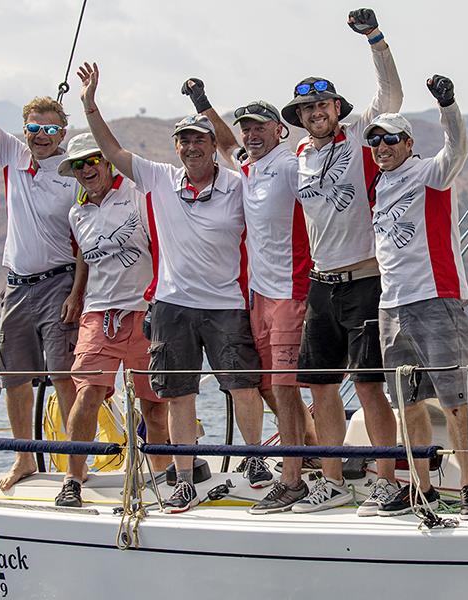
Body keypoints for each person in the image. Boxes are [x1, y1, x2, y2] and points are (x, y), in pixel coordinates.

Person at [77, 62, 272, 514]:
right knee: (178, 393)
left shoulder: (238, 185)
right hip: (171, 306)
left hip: (225, 304)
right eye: (183, 140)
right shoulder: (160, 179)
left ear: (210, 146)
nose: (190, 147)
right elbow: (112, 148)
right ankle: (184, 478)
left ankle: (257, 462)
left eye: (198, 140)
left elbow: (234, 147)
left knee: (242, 386)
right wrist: (89, 105)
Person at [278, 8, 402, 515]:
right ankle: (331, 481)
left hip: (365, 280)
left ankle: (387, 481)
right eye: (306, 109)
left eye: (322, 105)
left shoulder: (358, 136)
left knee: (370, 385)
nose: (315, 114)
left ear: (337, 107)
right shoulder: (302, 154)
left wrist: (374, 38)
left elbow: (391, 94)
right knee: (320, 386)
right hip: (321, 285)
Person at [181, 82, 319, 514]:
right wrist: (202, 104)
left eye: (260, 127)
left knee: (285, 387)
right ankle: (311, 452)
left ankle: (293, 480)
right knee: (265, 386)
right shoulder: (248, 165)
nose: (251, 134)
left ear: (281, 130)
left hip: (291, 292)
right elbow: (225, 144)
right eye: (246, 128)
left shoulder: (293, 164)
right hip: (258, 295)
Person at [0, 44, 84, 491]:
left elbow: (86, 243)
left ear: (63, 131)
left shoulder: (74, 172)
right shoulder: (12, 156)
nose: (41, 135)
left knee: (64, 376)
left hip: (58, 284)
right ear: (26, 130)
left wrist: (77, 292)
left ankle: (76, 465)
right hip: (16, 285)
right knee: (15, 376)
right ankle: (25, 458)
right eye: (34, 128)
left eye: (51, 128)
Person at [364, 75, 468, 518]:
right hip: (391, 306)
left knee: (454, 399)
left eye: (391, 140)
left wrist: (447, 104)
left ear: (408, 143)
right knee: (406, 402)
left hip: (437, 299)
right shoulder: (378, 185)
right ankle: (423, 488)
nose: (382, 147)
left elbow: (457, 149)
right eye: (376, 141)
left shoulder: (431, 172)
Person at [53, 133, 171, 507]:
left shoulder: (136, 194)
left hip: (143, 311)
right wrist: (75, 293)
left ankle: (163, 474)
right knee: (87, 394)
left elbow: (161, 243)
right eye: (78, 165)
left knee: (153, 402)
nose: (86, 169)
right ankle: (74, 477)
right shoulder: (77, 212)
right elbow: (86, 256)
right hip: (98, 314)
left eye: (92, 160)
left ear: (106, 162)